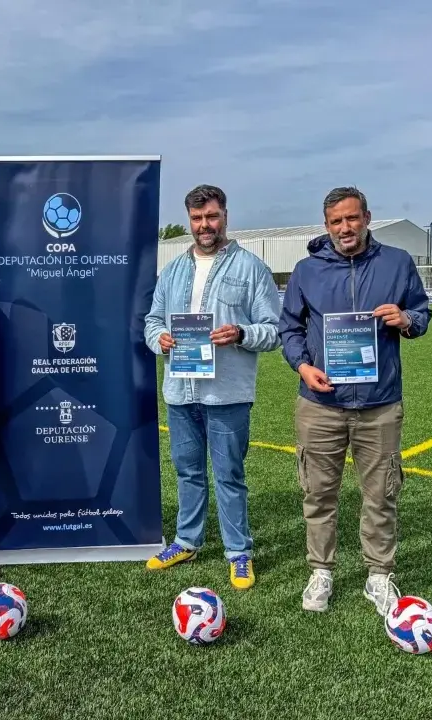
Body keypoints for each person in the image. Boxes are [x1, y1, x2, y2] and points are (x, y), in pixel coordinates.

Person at [277, 186, 432, 616]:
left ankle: (378, 575)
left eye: (351, 218)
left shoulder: (397, 262)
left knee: (381, 494)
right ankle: (321, 570)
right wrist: (302, 366)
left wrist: (406, 319)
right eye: (336, 221)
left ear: (367, 217)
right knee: (317, 494)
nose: (345, 228)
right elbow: (289, 329)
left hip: (379, 404)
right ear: (326, 225)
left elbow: (422, 314)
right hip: (320, 403)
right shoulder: (307, 270)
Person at [143, 184, 283, 590]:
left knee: (229, 474)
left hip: (227, 394)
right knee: (187, 471)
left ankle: (238, 552)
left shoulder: (251, 268)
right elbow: (152, 320)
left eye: (212, 216)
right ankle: (187, 541)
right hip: (180, 391)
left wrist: (241, 333)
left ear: (225, 217)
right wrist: (159, 340)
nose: (205, 225)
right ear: (189, 220)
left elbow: (274, 330)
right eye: (197, 218)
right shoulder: (173, 270)